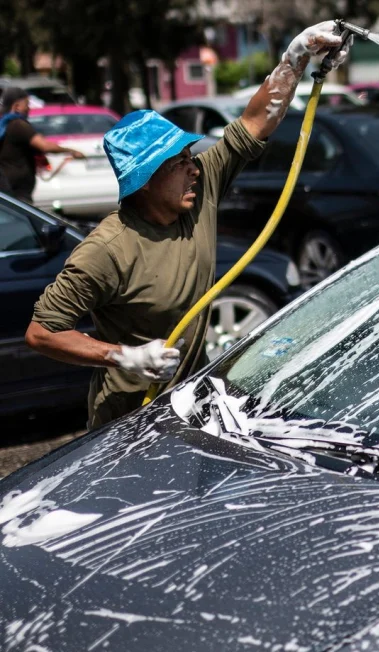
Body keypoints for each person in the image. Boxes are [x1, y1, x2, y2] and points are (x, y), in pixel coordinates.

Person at [25, 21, 352, 429]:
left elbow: (253, 122)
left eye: (190, 156)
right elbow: (42, 333)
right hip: (128, 420)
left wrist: (295, 57)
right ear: (144, 180)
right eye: (178, 163)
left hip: (189, 406)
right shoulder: (106, 250)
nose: (193, 168)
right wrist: (124, 356)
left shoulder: (200, 189)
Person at [0, 86, 86, 203]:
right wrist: (71, 151)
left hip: (7, 187)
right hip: (17, 191)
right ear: (17, 106)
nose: (29, 108)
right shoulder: (18, 124)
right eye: (27, 104)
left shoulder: (4, 124)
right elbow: (45, 146)